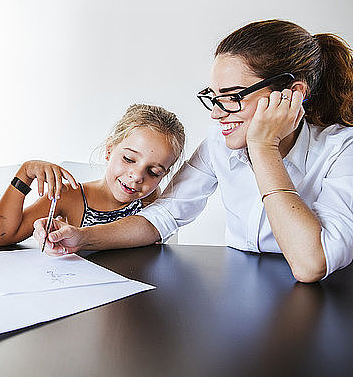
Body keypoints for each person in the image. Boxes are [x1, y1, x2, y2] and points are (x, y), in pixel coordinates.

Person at [35, 19, 353, 283]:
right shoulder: (219, 142)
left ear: (292, 94)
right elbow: (165, 213)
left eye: (232, 97)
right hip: (243, 290)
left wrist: (264, 147)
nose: (216, 114)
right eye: (213, 97)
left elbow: (312, 264)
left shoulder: (342, 150)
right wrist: (82, 237)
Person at [0, 104, 185, 246]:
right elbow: (0, 236)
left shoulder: (150, 199)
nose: (137, 176)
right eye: (129, 159)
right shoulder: (70, 196)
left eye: (153, 172)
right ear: (109, 150)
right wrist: (25, 172)